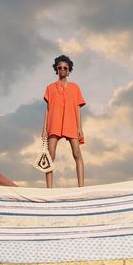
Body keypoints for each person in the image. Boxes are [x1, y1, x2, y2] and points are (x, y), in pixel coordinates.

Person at [41, 55, 86, 188]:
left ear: (69, 70)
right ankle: (49, 189)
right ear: (56, 69)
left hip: (71, 122)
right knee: (50, 155)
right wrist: (44, 129)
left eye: (65, 68)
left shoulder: (75, 87)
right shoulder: (50, 88)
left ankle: (81, 188)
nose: (62, 70)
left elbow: (78, 108)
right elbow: (48, 109)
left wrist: (80, 127)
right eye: (59, 67)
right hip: (53, 122)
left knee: (77, 153)